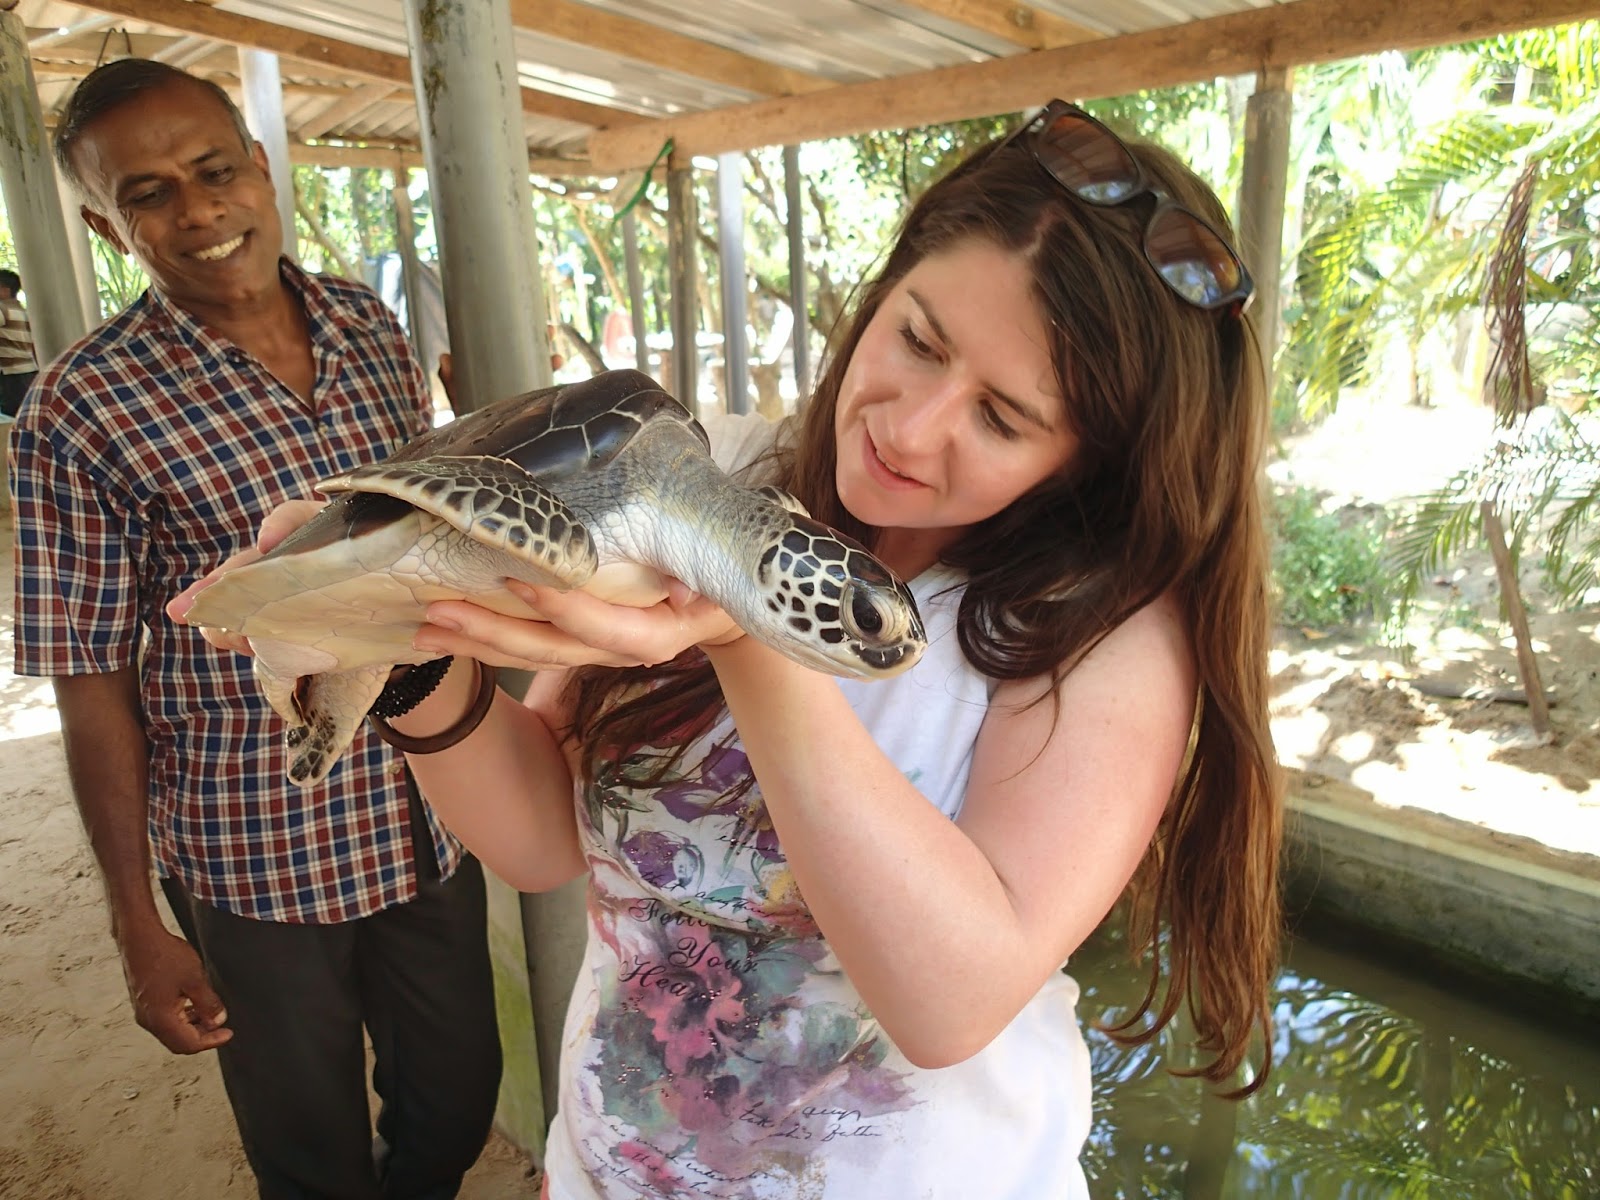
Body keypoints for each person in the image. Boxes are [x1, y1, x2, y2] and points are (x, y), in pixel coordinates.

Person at [181, 100, 1282, 1198]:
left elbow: (949, 1005)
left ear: (1085, 456)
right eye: (917, 339)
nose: (909, 428)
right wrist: (397, 640)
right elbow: (544, 838)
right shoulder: (715, 469)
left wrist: (749, 641)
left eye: (1001, 417)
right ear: (883, 289)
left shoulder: (1104, 636)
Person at [9, 59, 502, 1199]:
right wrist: (136, 921)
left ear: (261, 168)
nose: (198, 210)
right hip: (255, 849)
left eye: (214, 169)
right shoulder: (80, 409)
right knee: (310, 1157)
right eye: (149, 194)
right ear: (105, 226)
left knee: (455, 1102)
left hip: (423, 807)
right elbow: (88, 677)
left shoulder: (366, 326)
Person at [0, 266, 39, 417]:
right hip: (28, 370)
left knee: (11, 415)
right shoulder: (22, 311)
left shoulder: (3, 309)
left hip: (12, 374)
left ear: (5, 290)